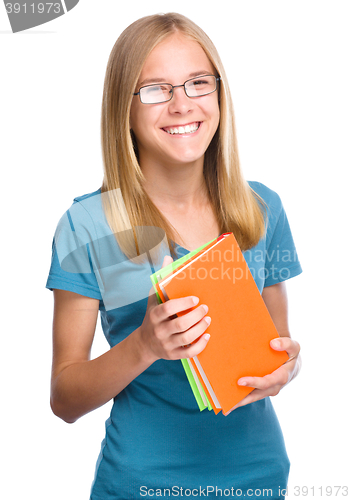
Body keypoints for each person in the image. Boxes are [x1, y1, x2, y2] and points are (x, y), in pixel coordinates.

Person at [46, 12, 302, 500]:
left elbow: (279, 346)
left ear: (219, 95)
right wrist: (145, 345)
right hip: (142, 485)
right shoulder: (88, 226)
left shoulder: (261, 209)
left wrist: (289, 365)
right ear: (125, 107)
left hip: (258, 477)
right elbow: (64, 398)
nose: (182, 105)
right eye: (156, 89)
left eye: (197, 83)